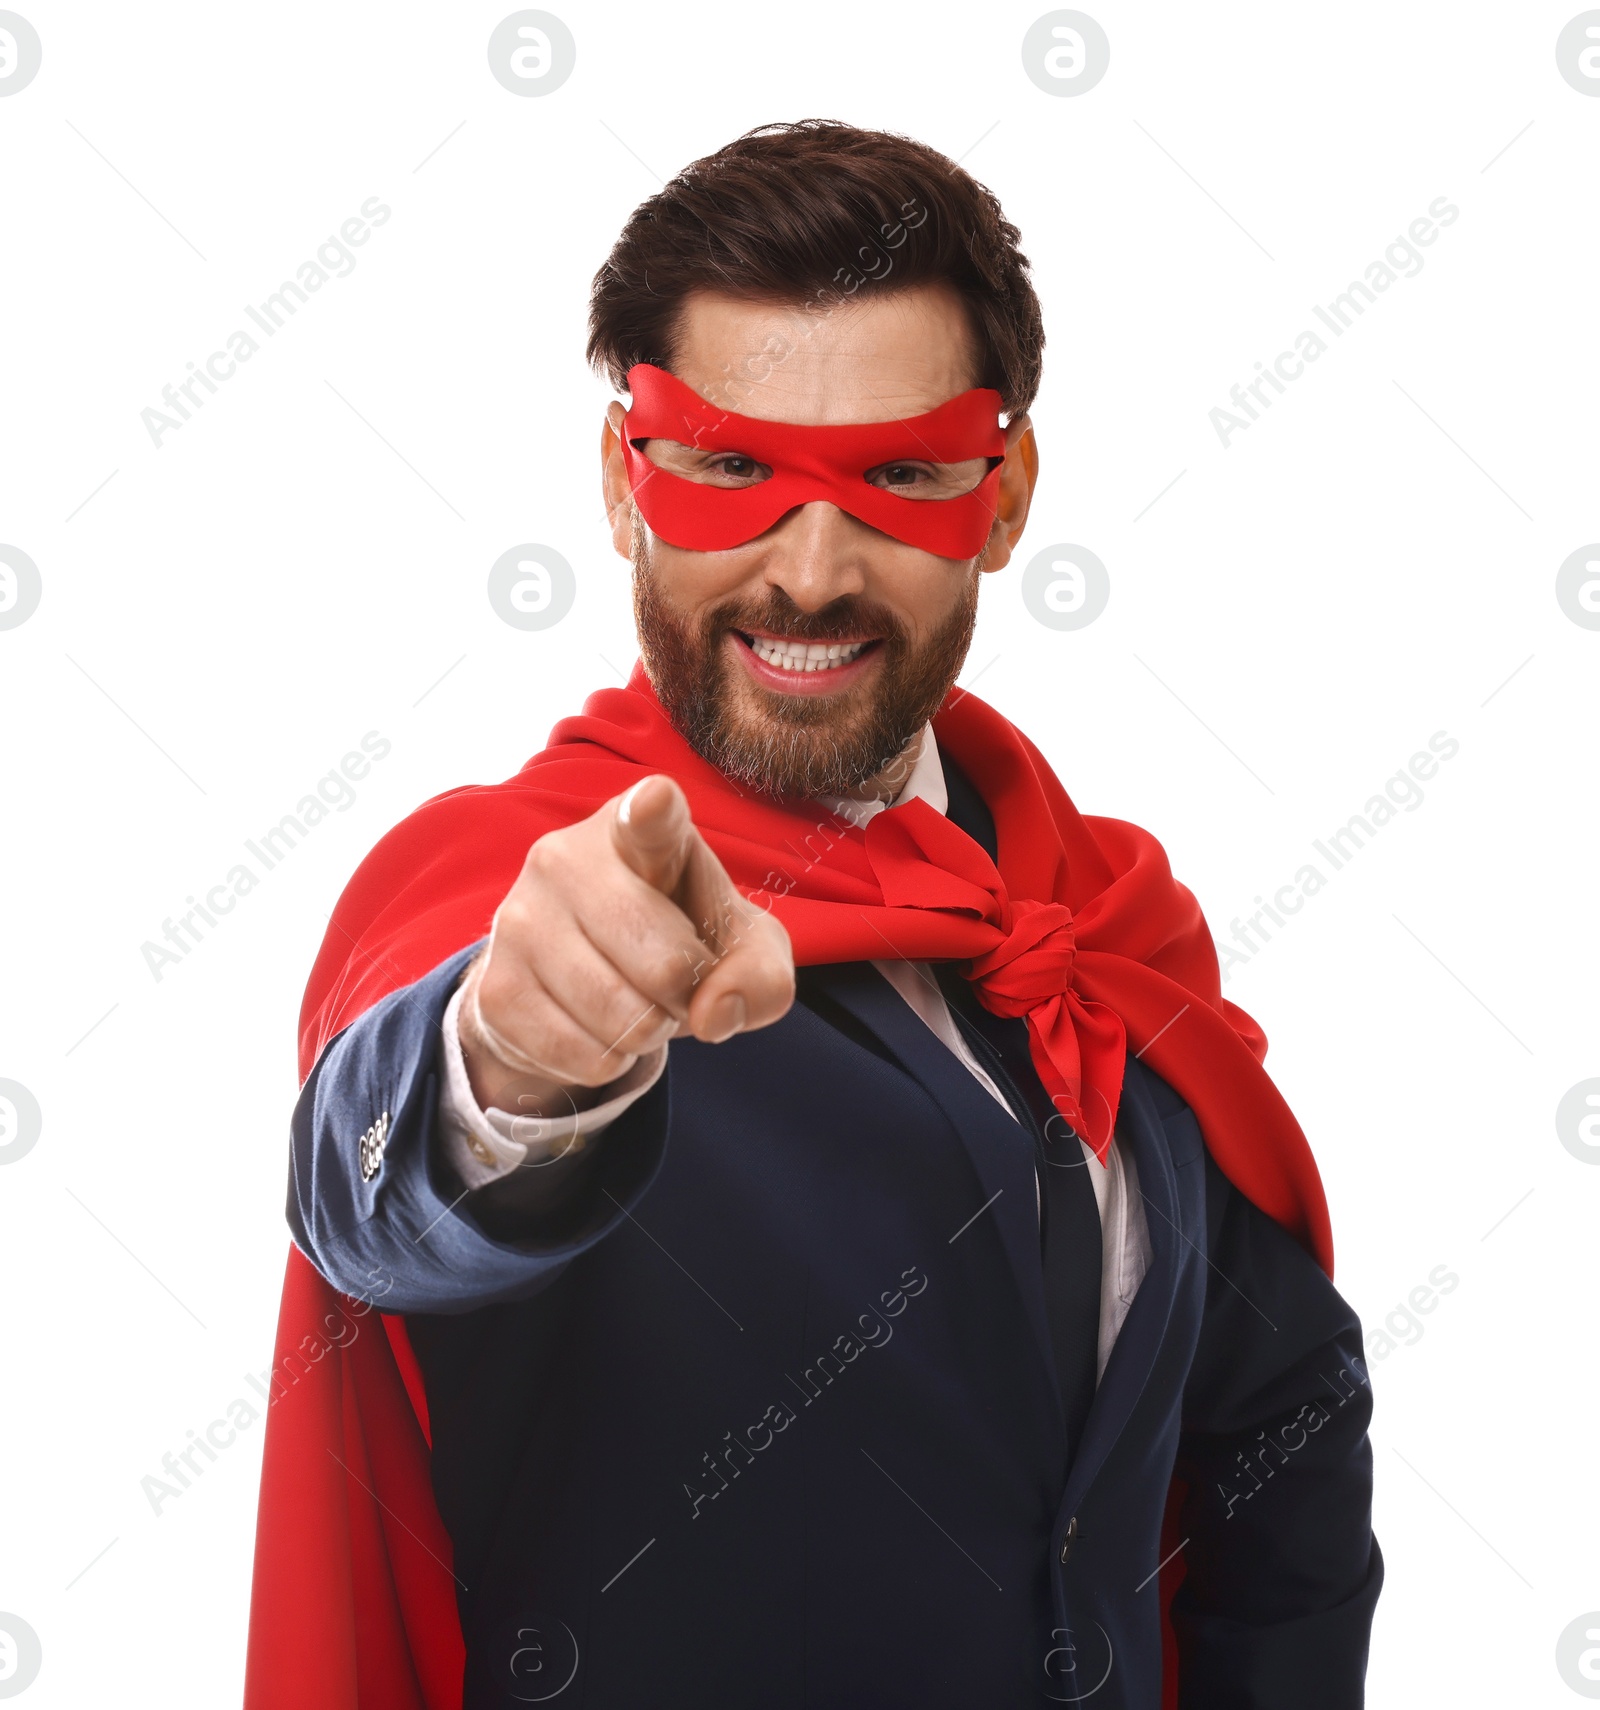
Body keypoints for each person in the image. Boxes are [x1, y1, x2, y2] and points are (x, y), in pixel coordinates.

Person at [245, 120, 1381, 1710]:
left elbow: (1282, 1429)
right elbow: (378, 1185)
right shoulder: (513, 879)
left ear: (1003, 497)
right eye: (727, 468)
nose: (813, 568)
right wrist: (507, 1064)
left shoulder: (1098, 919)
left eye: (903, 475)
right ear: (621, 485)